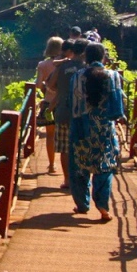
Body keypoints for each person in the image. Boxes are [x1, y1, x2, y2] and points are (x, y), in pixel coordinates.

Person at [68, 42, 124, 222]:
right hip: (104, 130)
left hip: (81, 129)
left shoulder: (77, 76)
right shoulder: (113, 76)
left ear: (85, 57)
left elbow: (72, 103)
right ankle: (103, 208)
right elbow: (117, 109)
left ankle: (82, 204)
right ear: (103, 57)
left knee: (78, 167)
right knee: (105, 166)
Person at [46, 39, 87, 190]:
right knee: (82, 147)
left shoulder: (63, 66)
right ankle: (81, 180)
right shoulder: (87, 68)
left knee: (65, 148)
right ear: (84, 52)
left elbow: (50, 84)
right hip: (82, 114)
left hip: (63, 111)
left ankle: (67, 180)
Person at [34, 37, 64, 173]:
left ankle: (51, 165)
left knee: (50, 135)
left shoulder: (42, 65)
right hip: (63, 103)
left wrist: (46, 87)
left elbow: (38, 85)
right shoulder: (65, 64)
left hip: (48, 102)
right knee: (67, 134)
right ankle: (67, 170)